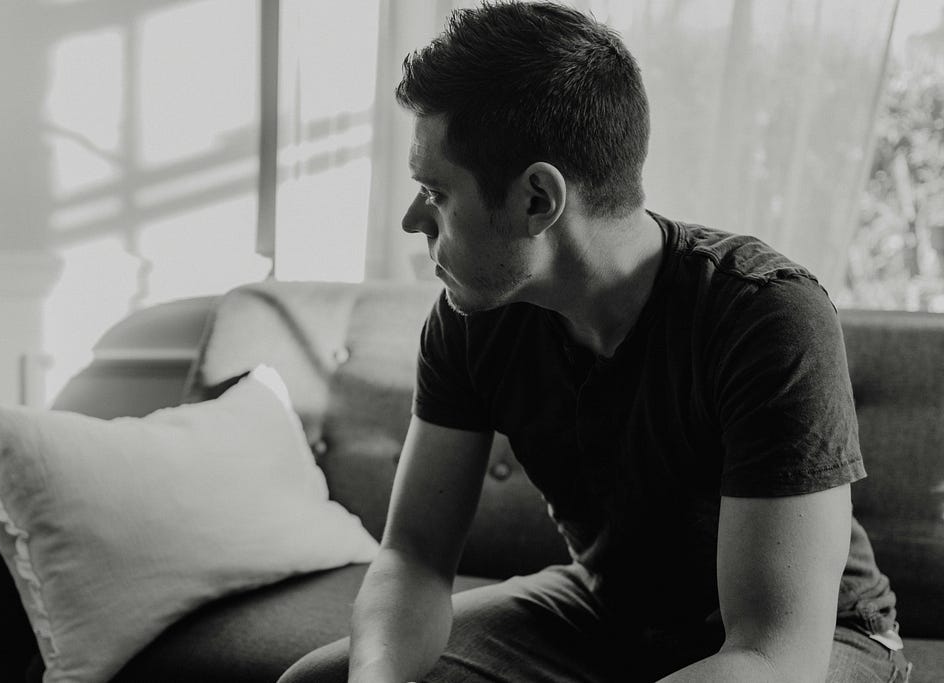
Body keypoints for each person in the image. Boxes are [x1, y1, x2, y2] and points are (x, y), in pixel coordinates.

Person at [279, 2, 909, 681]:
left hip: (816, 643)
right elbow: (414, 558)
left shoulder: (766, 316)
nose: (411, 220)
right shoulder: (471, 317)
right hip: (609, 612)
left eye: (435, 191)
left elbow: (773, 652)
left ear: (537, 200)